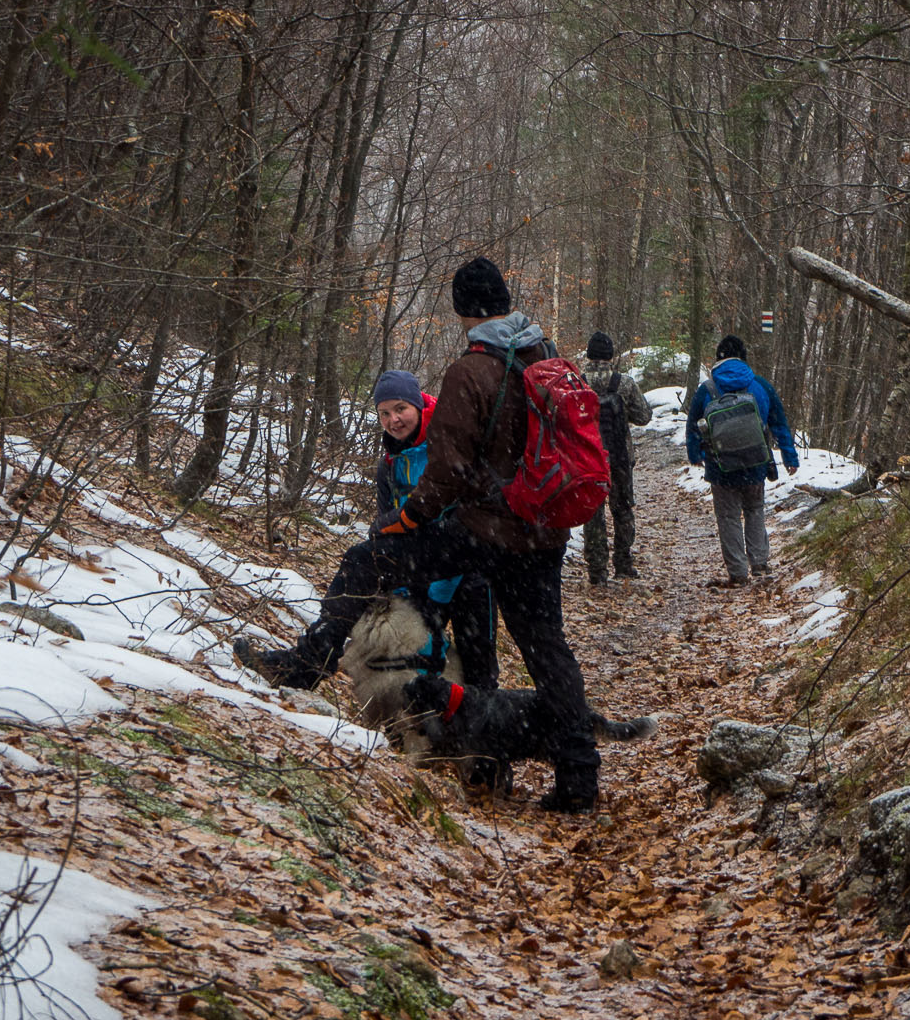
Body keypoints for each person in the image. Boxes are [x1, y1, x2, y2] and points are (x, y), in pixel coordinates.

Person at [237, 257, 599, 812]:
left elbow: (448, 469)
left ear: (462, 311)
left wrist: (406, 519)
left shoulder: (470, 372)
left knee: (366, 559)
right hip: (542, 534)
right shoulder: (543, 356)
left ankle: (309, 664)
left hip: (483, 532)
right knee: (547, 649)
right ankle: (578, 779)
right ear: (507, 302)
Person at [365, 368, 498, 690]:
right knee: (422, 660)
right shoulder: (389, 463)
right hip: (419, 571)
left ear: (418, 407)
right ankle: (429, 728)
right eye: (384, 413)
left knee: (477, 664)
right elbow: (387, 522)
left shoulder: (450, 443)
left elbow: (477, 509)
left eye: (400, 409)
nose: (393, 420)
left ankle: (481, 731)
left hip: (471, 571)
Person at [684, 334, 799, 587]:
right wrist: (790, 456)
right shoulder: (760, 385)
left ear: (718, 359)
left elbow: (692, 425)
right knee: (755, 510)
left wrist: (696, 455)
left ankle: (737, 573)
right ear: (744, 357)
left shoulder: (708, 389)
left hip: (721, 467)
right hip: (755, 463)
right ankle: (759, 563)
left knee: (728, 518)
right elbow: (779, 422)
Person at [579, 332, 653, 585]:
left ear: (589, 354)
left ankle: (597, 570)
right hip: (620, 455)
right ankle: (623, 563)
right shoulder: (625, 383)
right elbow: (644, 417)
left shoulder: (577, 383)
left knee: (593, 513)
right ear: (610, 356)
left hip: (589, 459)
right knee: (622, 509)